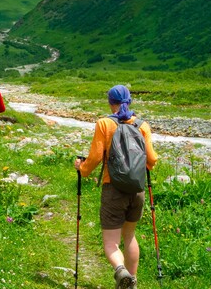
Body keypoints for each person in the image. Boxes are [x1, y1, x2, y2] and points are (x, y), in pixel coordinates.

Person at [74, 85, 159, 289]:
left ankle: (121, 271)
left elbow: (95, 158)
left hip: (113, 189)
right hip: (137, 190)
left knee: (111, 243)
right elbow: (152, 160)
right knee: (129, 236)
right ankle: (132, 283)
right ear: (129, 101)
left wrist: (82, 169)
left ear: (110, 102)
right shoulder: (142, 125)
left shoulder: (104, 124)